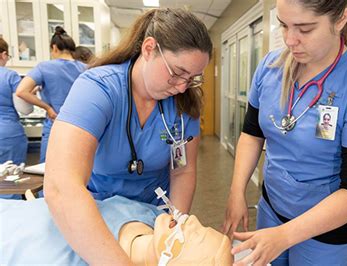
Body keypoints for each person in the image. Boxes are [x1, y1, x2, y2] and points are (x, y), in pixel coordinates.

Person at [222, 0, 347, 265]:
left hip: (327, 234)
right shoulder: (269, 69)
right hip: (272, 211)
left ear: (341, 19)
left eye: (305, 28)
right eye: (284, 25)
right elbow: (252, 133)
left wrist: (284, 236)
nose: (290, 40)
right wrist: (236, 192)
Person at [43, 8, 212, 265]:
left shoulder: (182, 107)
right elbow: (60, 186)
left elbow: (181, 171)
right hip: (94, 213)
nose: (182, 87)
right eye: (177, 73)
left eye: (192, 79)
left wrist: (175, 227)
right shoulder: (98, 88)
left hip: (151, 216)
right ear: (148, 48)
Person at [0, 196, 233, 265]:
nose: (191, 220)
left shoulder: (54, 259)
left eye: (195, 236)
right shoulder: (151, 216)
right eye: (201, 226)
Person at [16, 26, 86, 163]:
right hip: (80, 128)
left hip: (56, 124)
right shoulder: (85, 68)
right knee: (78, 169)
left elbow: (21, 91)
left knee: (49, 169)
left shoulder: (45, 67)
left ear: (54, 48)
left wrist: (47, 107)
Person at [0, 37, 31, 167]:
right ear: (3, 54)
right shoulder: (10, 76)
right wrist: (30, 96)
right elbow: (25, 109)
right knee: (9, 183)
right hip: (7, 136)